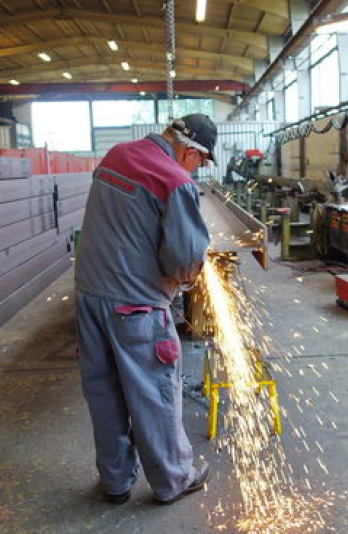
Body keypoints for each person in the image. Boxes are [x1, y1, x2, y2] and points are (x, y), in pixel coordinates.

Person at [74, 114, 216, 505]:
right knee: (154, 394)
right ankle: (174, 479)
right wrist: (187, 280)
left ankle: (115, 481)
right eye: (201, 162)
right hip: (136, 308)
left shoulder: (116, 155)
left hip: (89, 297)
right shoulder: (176, 181)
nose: (196, 170)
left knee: (104, 392)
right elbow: (184, 260)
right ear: (190, 152)